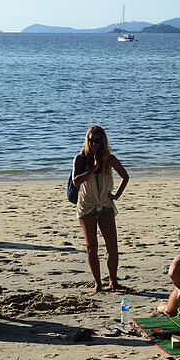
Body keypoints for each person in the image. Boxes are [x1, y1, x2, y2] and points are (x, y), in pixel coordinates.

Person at [73, 125, 130, 293]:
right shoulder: (80, 159)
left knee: (112, 246)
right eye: (91, 140)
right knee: (92, 247)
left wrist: (117, 195)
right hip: (87, 206)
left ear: (103, 141)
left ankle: (113, 281)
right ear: (87, 140)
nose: (94, 144)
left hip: (105, 205)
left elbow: (125, 176)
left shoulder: (110, 159)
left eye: (98, 141)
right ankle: (98, 283)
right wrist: (94, 169)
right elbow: (76, 181)